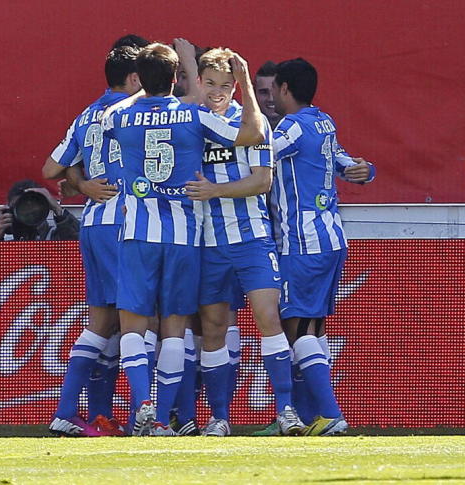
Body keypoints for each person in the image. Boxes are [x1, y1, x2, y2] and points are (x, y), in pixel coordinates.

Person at [102, 42, 264, 436]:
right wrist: (241, 82)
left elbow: (112, 142)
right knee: (175, 328)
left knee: (134, 326)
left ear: (140, 78)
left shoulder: (118, 115)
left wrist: (147, 88)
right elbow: (252, 134)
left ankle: (142, 402)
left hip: (138, 231)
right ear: (176, 78)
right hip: (183, 237)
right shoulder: (194, 115)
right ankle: (161, 419)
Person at [184, 47, 305, 437]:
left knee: (269, 319)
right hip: (207, 243)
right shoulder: (191, 120)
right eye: (211, 84)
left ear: (237, 86)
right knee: (214, 327)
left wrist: (215, 190)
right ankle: (219, 416)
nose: (218, 92)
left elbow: (262, 181)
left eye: (226, 85)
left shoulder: (251, 122)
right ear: (199, 82)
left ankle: (285, 410)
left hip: (252, 237)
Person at [269, 57, 375, 436]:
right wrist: (367, 170)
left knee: (296, 329)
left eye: (273, 90)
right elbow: (347, 163)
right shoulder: (323, 121)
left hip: (303, 243)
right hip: (331, 238)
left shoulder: (292, 127)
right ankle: (309, 414)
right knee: (312, 326)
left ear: (285, 89)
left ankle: (329, 415)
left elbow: (258, 155)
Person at [41, 45, 142, 437]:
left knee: (102, 322)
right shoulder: (137, 112)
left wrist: (81, 182)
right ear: (135, 79)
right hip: (127, 222)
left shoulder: (87, 114)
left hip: (93, 223)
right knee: (141, 319)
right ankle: (142, 418)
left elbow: (51, 168)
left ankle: (70, 411)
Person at [0, 179, 79, 241]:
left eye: (33, 209)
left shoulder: (57, 240)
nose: (28, 213)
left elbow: (81, 245)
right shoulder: (7, 249)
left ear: (44, 208)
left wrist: (58, 209)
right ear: (10, 211)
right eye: (22, 209)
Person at [255, 61, 282, 128]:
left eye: (276, 91)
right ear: (254, 94)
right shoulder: (241, 127)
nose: (271, 99)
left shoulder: (303, 126)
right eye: (264, 92)